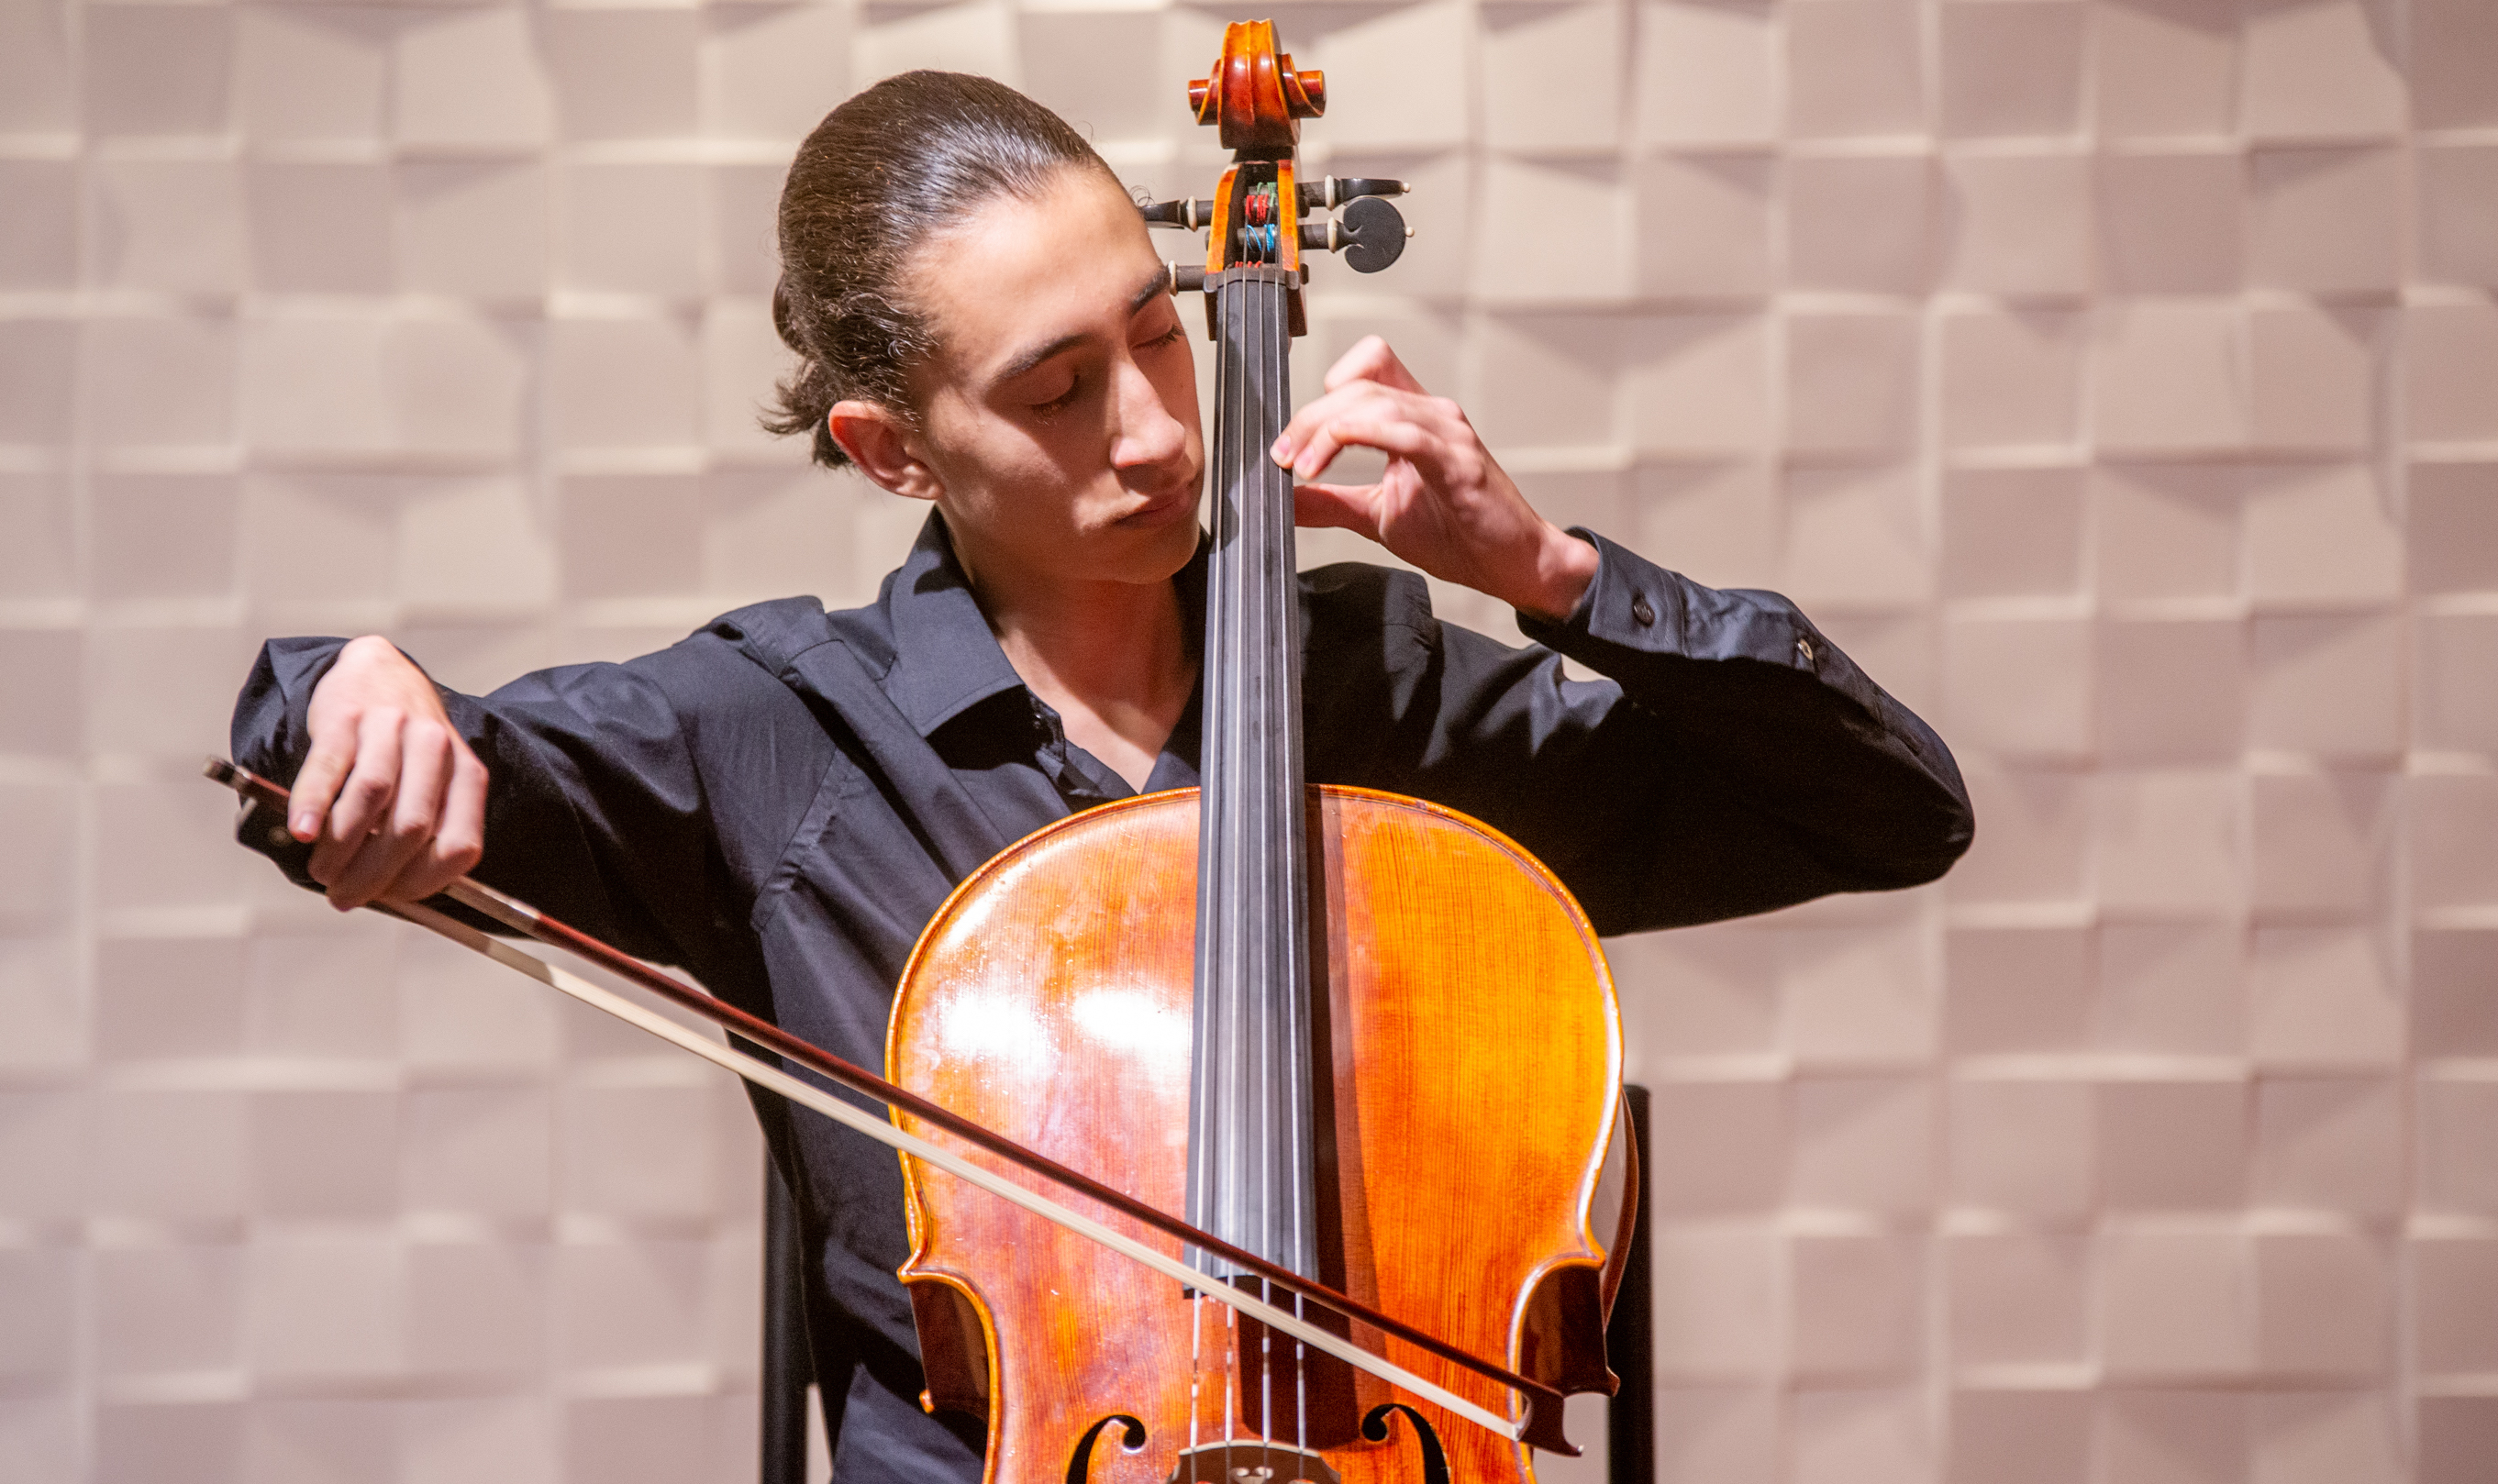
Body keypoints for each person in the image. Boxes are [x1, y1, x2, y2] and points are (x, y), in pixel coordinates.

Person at [229, 71, 1972, 1481]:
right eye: (1057, 390)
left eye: (1158, 335)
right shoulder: (773, 736)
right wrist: (351, 689)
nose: (1152, 430)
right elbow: (392, 749)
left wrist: (1558, 576)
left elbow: (1889, 811)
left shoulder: (1371, 692)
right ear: (890, 449)